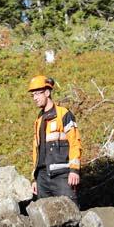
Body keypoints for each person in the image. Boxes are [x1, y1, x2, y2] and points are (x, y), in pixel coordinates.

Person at [28, 74, 81, 203]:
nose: (35, 98)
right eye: (33, 95)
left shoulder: (63, 114)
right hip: (42, 179)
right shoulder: (38, 120)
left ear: (47, 92)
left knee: (70, 212)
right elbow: (37, 151)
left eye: (37, 94)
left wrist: (74, 170)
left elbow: (75, 142)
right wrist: (35, 178)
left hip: (62, 175)